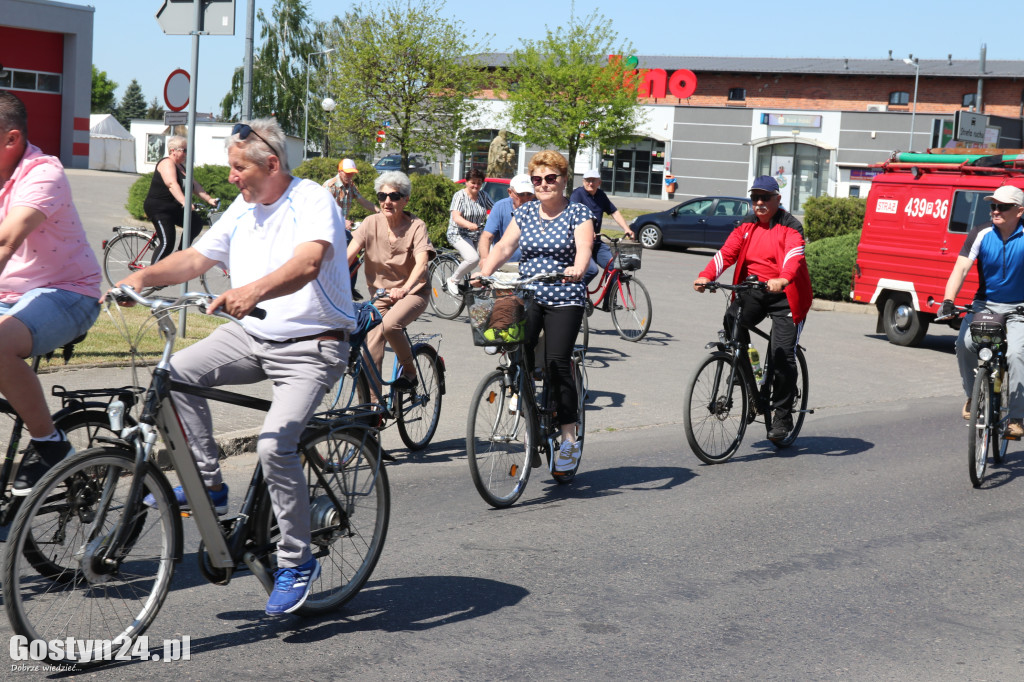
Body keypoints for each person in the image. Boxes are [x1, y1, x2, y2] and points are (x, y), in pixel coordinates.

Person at [117, 117, 356, 616]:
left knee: (274, 444)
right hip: (250, 335)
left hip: (312, 346)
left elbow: (309, 263)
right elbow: (194, 259)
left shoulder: (311, 199)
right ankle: (208, 482)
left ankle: (297, 560)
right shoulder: (242, 210)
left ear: (271, 164)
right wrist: (142, 278)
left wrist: (251, 290)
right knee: (176, 374)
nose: (231, 177)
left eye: (237, 167)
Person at [0, 91, 102, 496]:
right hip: (11, 294)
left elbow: (6, 240)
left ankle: (49, 445)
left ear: (11, 139)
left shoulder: (44, 174)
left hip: (68, 293)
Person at [475, 150, 592, 475]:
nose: (543, 184)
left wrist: (577, 268)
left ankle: (568, 436)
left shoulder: (577, 213)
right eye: (537, 179)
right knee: (514, 348)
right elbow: (503, 247)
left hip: (565, 294)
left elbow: (584, 248)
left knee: (556, 362)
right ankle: (530, 414)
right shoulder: (525, 212)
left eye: (550, 178)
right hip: (529, 293)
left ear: (564, 180)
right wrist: (484, 272)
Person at [693, 175, 811, 440]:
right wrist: (706, 275)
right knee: (731, 319)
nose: (759, 202)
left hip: (786, 294)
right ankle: (746, 377)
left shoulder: (790, 226)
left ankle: (782, 417)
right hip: (755, 290)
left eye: (765, 197)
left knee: (782, 354)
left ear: (777, 200)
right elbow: (726, 253)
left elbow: (794, 255)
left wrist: (782, 278)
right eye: (755, 197)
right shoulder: (746, 226)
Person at [937, 185, 1024, 438]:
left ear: (1019, 211)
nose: (996, 210)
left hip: (1020, 308)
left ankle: (1016, 417)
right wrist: (948, 299)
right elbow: (961, 269)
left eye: (1003, 206)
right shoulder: (981, 232)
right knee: (964, 344)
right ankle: (970, 395)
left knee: (1017, 353)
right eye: (993, 206)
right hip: (985, 305)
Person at [347, 171, 434, 397]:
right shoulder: (370, 223)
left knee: (390, 325)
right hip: (381, 296)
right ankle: (371, 408)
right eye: (382, 196)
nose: (387, 201)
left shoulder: (416, 226)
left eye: (394, 196)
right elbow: (347, 256)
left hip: (413, 292)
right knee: (369, 344)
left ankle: (410, 373)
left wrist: (405, 288)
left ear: (405, 200)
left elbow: (422, 263)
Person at [143, 135, 219, 264]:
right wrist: (185, 202)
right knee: (167, 243)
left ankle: (180, 255)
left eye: (187, 150)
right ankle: (152, 275)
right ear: (173, 150)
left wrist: (209, 199)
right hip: (159, 208)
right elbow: (172, 184)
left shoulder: (181, 167)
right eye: (183, 150)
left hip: (173, 208)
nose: (186, 153)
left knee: (195, 222)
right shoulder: (166, 163)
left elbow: (194, 186)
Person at [571, 169, 635, 285]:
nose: (590, 183)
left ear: (599, 183)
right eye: (587, 180)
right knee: (591, 270)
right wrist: (587, 231)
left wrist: (627, 228)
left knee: (614, 266)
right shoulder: (577, 194)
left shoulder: (601, 195)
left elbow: (614, 212)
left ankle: (609, 302)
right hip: (580, 243)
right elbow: (572, 215)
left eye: (593, 181)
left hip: (596, 243)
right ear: (583, 181)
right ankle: (575, 294)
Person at [445, 168, 493, 295]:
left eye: (479, 182)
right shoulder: (460, 196)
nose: (476, 185)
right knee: (472, 259)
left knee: (493, 257)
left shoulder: (483, 195)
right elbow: (456, 217)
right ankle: (453, 280)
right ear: (466, 182)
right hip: (458, 233)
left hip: (478, 234)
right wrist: (469, 224)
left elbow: (495, 210)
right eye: (473, 182)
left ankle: (485, 283)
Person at [478, 173, 535, 266]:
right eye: (521, 194)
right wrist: (484, 259)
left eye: (529, 194)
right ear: (510, 192)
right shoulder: (500, 207)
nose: (525, 198)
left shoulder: (539, 207)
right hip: (506, 264)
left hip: (532, 265)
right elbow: (487, 236)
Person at [322, 158, 377, 227]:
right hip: (327, 227)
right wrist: (343, 221)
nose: (350, 176)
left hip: (340, 227)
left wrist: (380, 211)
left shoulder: (350, 185)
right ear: (339, 172)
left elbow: (363, 201)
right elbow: (323, 211)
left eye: (352, 173)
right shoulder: (330, 186)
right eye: (347, 173)